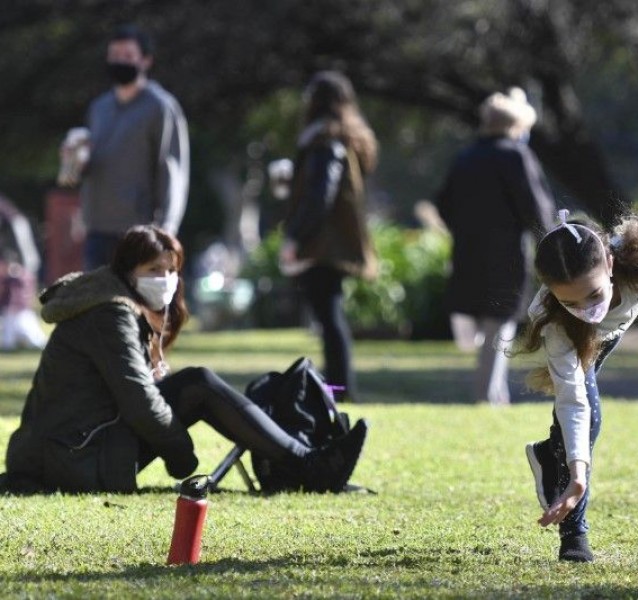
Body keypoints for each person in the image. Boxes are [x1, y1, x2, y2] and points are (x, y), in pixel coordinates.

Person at [0, 225, 366, 494]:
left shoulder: (112, 303)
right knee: (199, 385)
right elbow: (139, 400)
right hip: (71, 458)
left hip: (71, 449)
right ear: (128, 273)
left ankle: (302, 464)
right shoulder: (109, 314)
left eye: (171, 270)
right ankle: (309, 465)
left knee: (196, 385)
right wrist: (181, 455)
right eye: (153, 271)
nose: (165, 280)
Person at [517, 190, 638, 562]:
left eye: (593, 294)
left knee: (574, 436)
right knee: (588, 422)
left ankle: (548, 456)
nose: (587, 310)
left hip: (607, 340)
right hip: (581, 346)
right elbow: (572, 400)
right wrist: (577, 473)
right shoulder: (558, 324)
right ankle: (574, 539)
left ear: (611, 264)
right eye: (571, 301)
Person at [436, 87, 556, 405]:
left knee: (482, 325)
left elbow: (444, 203)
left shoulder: (465, 157)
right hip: (506, 257)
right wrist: (551, 244)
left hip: (466, 253)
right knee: (497, 327)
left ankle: (495, 395)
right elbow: (537, 210)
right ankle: (488, 397)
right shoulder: (516, 156)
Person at [279, 70, 379, 403]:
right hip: (335, 244)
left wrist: (295, 236)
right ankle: (338, 386)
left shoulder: (325, 143)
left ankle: (340, 388)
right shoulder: (347, 139)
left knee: (329, 315)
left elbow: (319, 196)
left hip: (323, 245)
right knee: (330, 316)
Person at [60, 24, 190, 270]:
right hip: (97, 230)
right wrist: (74, 160)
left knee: (136, 307)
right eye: (115, 55)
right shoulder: (99, 107)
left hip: (140, 232)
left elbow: (172, 170)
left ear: (146, 60)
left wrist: (167, 229)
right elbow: (91, 164)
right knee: (98, 307)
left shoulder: (160, 107)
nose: (120, 61)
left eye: (128, 56)